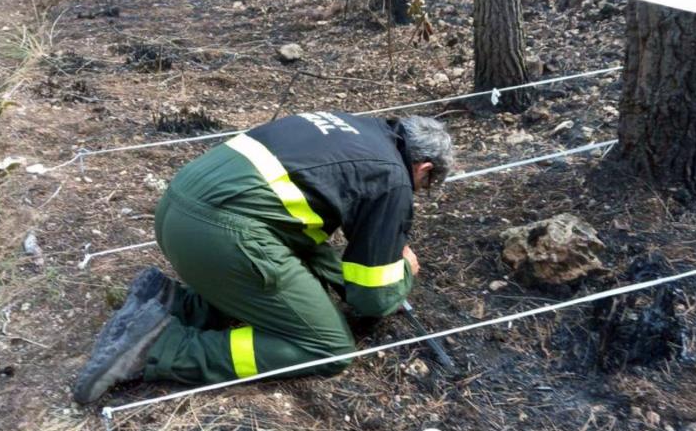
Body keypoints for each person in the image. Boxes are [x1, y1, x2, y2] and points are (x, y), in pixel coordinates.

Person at [72, 112, 455, 404]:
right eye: (424, 186)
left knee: (297, 261)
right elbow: (372, 298)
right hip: (217, 234)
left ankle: (175, 302)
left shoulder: (351, 127)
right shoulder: (392, 177)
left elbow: (304, 225)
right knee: (329, 349)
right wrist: (402, 269)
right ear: (424, 168)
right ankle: (162, 347)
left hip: (177, 210)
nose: (416, 193)